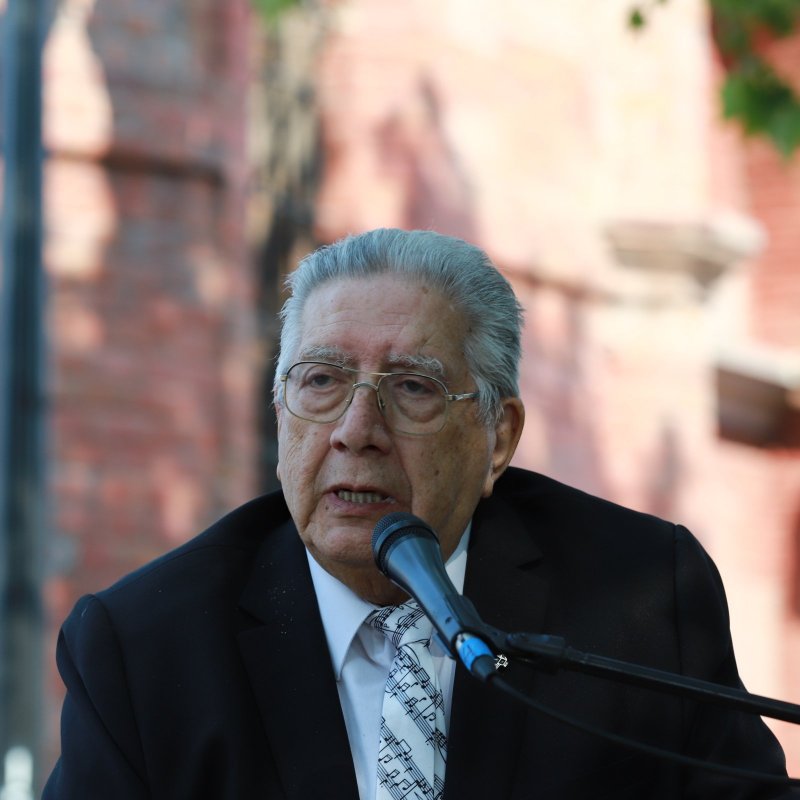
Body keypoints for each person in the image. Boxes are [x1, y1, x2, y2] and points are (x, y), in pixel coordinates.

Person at [44, 228, 796, 799]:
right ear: (280, 414)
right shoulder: (143, 647)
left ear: (497, 439)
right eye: (320, 381)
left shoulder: (639, 598)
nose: (355, 430)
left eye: (412, 388)